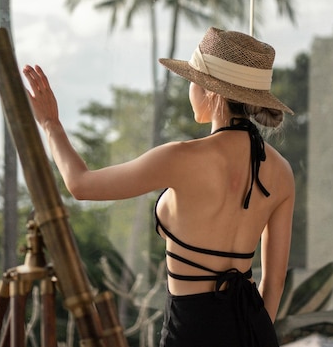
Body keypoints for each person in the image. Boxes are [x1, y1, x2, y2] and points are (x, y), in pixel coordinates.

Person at [23, 26, 296, 347]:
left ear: (213, 92)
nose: (190, 89)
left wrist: (51, 125)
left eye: (193, 81)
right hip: (254, 330)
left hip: (190, 333)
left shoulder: (180, 158)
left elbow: (81, 185)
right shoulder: (281, 171)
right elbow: (274, 282)